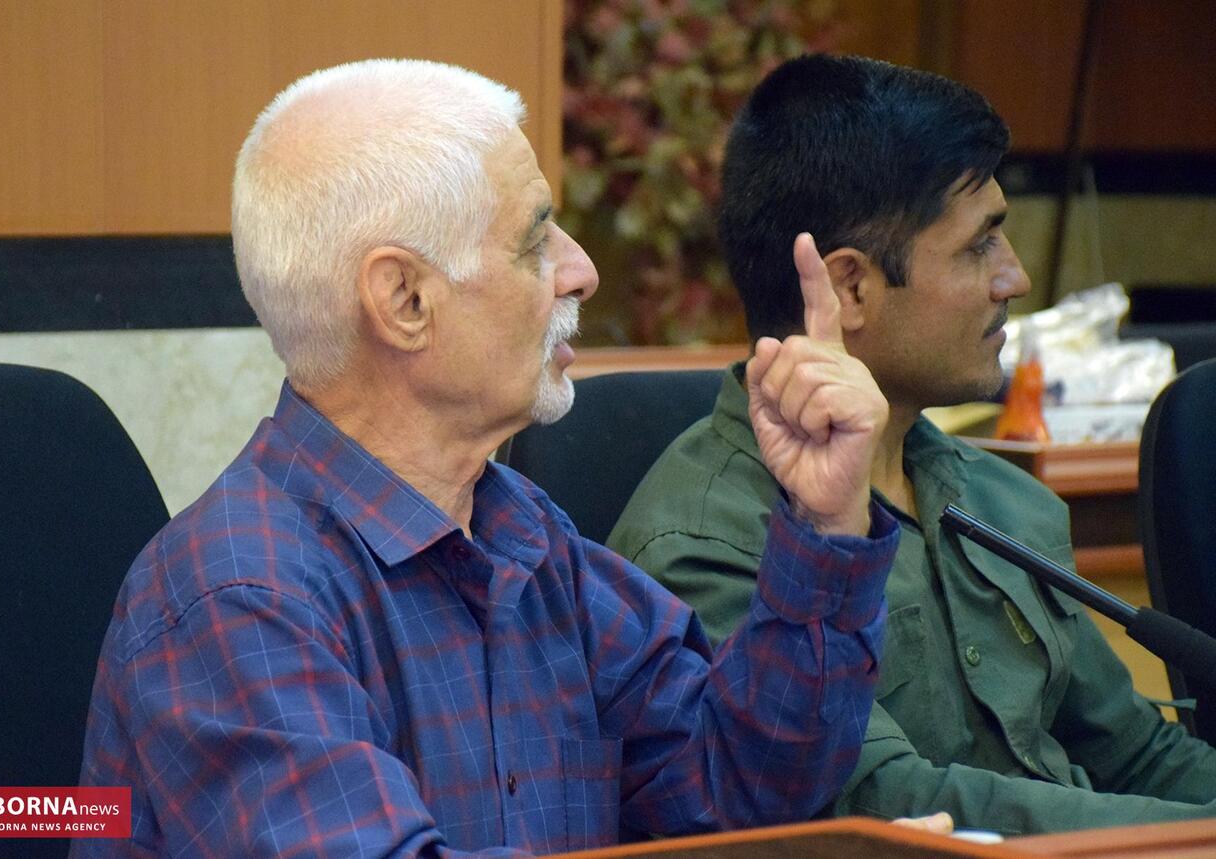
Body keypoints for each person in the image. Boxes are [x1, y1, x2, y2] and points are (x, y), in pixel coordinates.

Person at [74, 59, 901, 856]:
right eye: (535, 241)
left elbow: (741, 788)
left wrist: (825, 521)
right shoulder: (237, 597)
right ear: (404, 300)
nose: (581, 272)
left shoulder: (522, 529)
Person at [608, 54, 1216, 835]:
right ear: (851, 288)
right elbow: (890, 799)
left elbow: (1136, 755)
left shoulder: (1004, 499)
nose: (1015, 278)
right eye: (980, 245)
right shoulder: (704, 541)